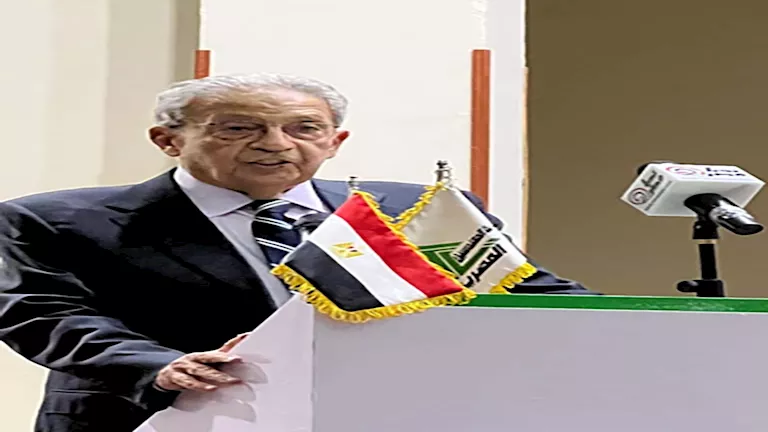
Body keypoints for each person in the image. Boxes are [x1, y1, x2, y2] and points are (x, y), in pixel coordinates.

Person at [0, 73, 594, 431]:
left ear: (335, 141)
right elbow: (42, 314)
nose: (275, 144)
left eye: (304, 128)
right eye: (238, 128)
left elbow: (522, 291)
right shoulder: (54, 219)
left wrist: (628, 323)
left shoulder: (412, 209)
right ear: (168, 140)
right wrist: (158, 366)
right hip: (152, 416)